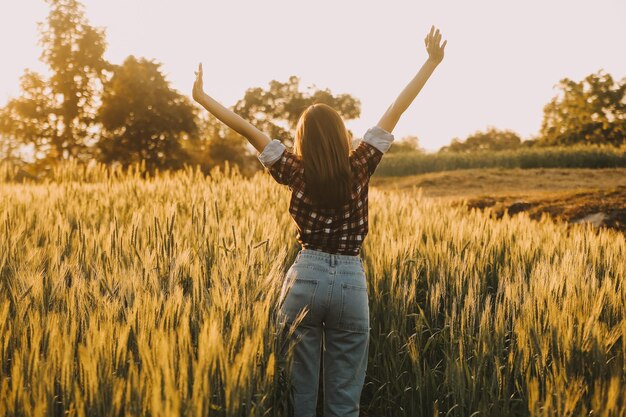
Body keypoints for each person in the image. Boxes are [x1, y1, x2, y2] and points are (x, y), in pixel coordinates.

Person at [192, 24, 447, 417]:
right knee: (344, 402)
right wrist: (430, 63)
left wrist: (203, 97)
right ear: (340, 135)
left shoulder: (294, 169)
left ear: (303, 140)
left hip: (305, 278)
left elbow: (244, 127)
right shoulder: (361, 162)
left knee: (301, 400)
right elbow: (396, 109)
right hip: (349, 281)